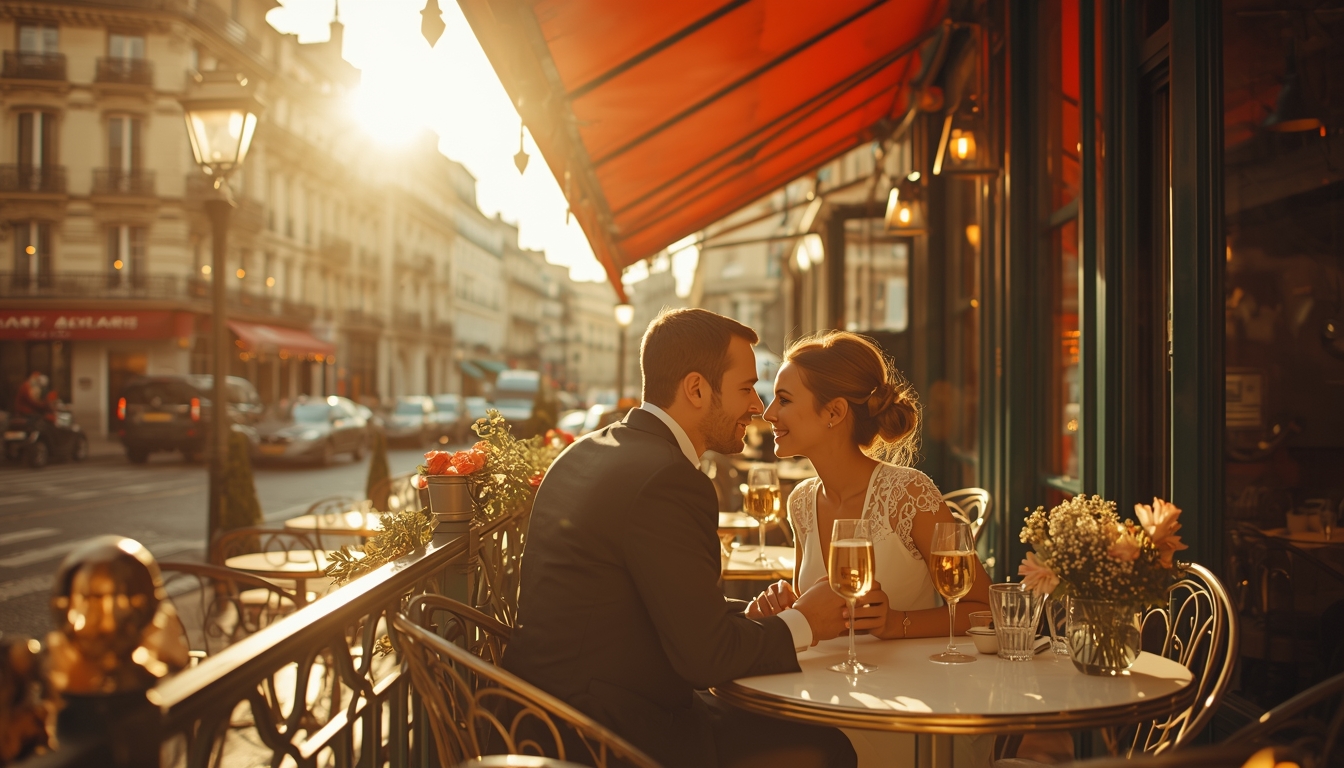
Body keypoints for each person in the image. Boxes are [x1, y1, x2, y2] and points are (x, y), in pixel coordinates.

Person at [504, 309, 859, 768]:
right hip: (606, 739)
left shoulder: (586, 450)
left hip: (539, 719)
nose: (757, 407)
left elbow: (648, 601)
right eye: (746, 388)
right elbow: (706, 660)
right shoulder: (669, 478)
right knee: (828, 748)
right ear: (696, 389)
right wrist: (805, 622)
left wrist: (750, 617)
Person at [749, 331, 993, 768]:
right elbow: (821, 610)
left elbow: (985, 609)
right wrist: (787, 606)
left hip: (907, 711)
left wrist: (897, 623)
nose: (768, 413)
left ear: (834, 412)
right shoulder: (801, 501)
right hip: (827, 699)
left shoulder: (909, 493)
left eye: (783, 399)